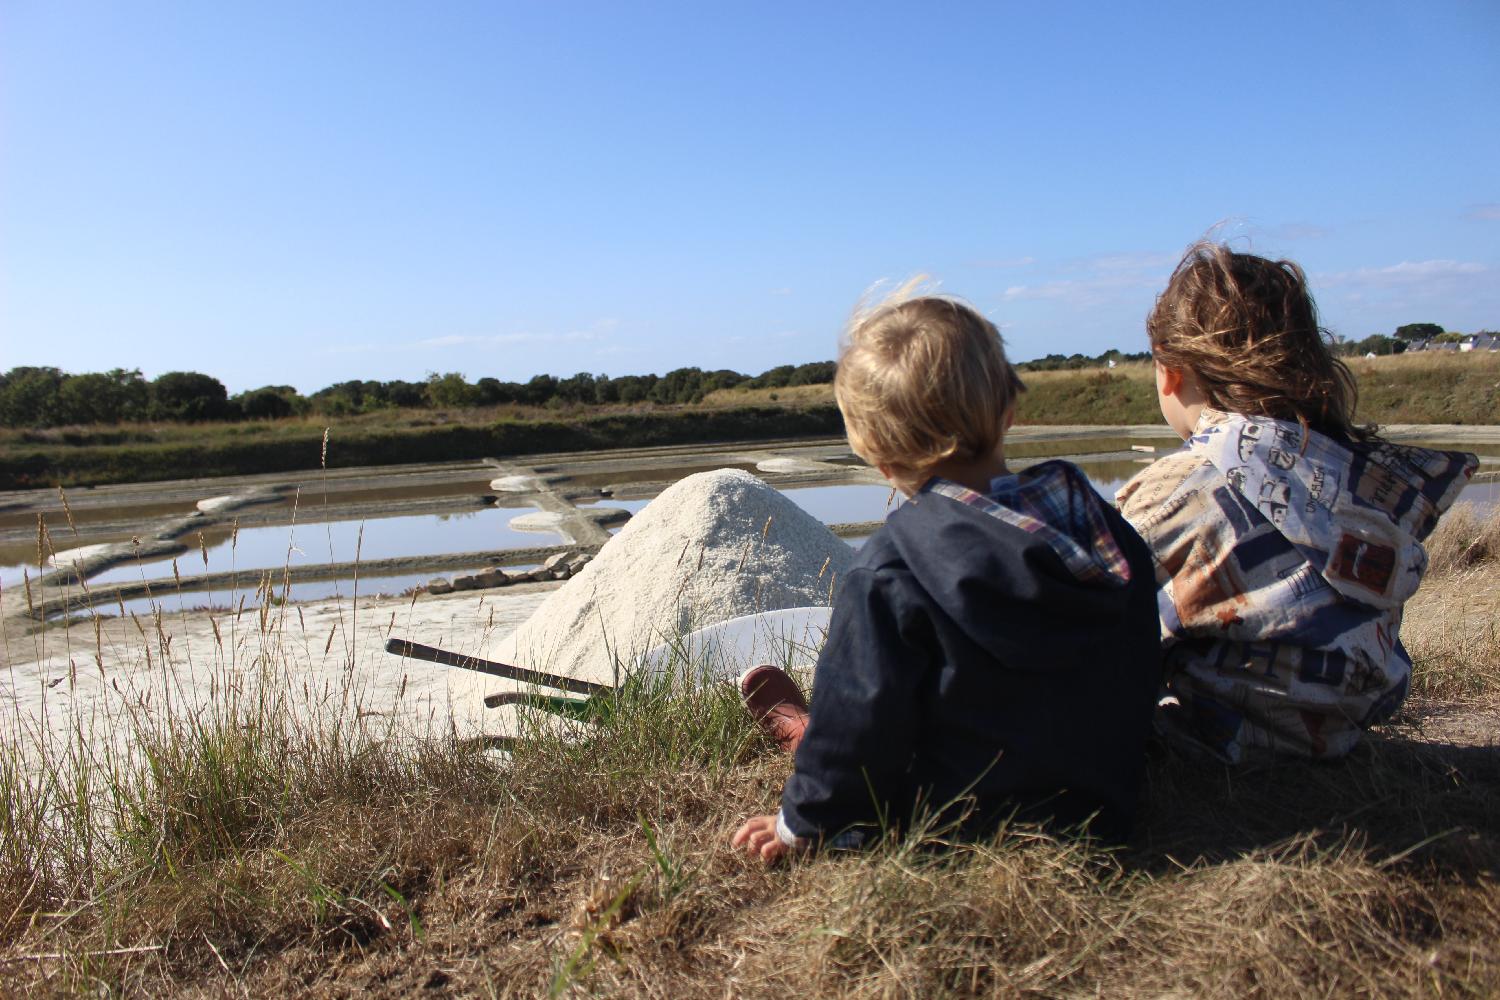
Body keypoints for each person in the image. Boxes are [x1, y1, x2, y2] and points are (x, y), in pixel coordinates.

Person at [732, 290, 1162, 863]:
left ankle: (802, 732)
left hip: (959, 827)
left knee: (839, 734)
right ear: (1010, 408)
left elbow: (859, 726)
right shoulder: (1097, 523)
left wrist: (802, 822)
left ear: (875, 454)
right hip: (1102, 806)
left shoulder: (891, 569)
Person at [1116, 243, 1478, 764]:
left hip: (1208, 737)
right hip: (1341, 724)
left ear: (1171, 371)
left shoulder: (1183, 486)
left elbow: (1106, 617)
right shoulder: (1346, 468)